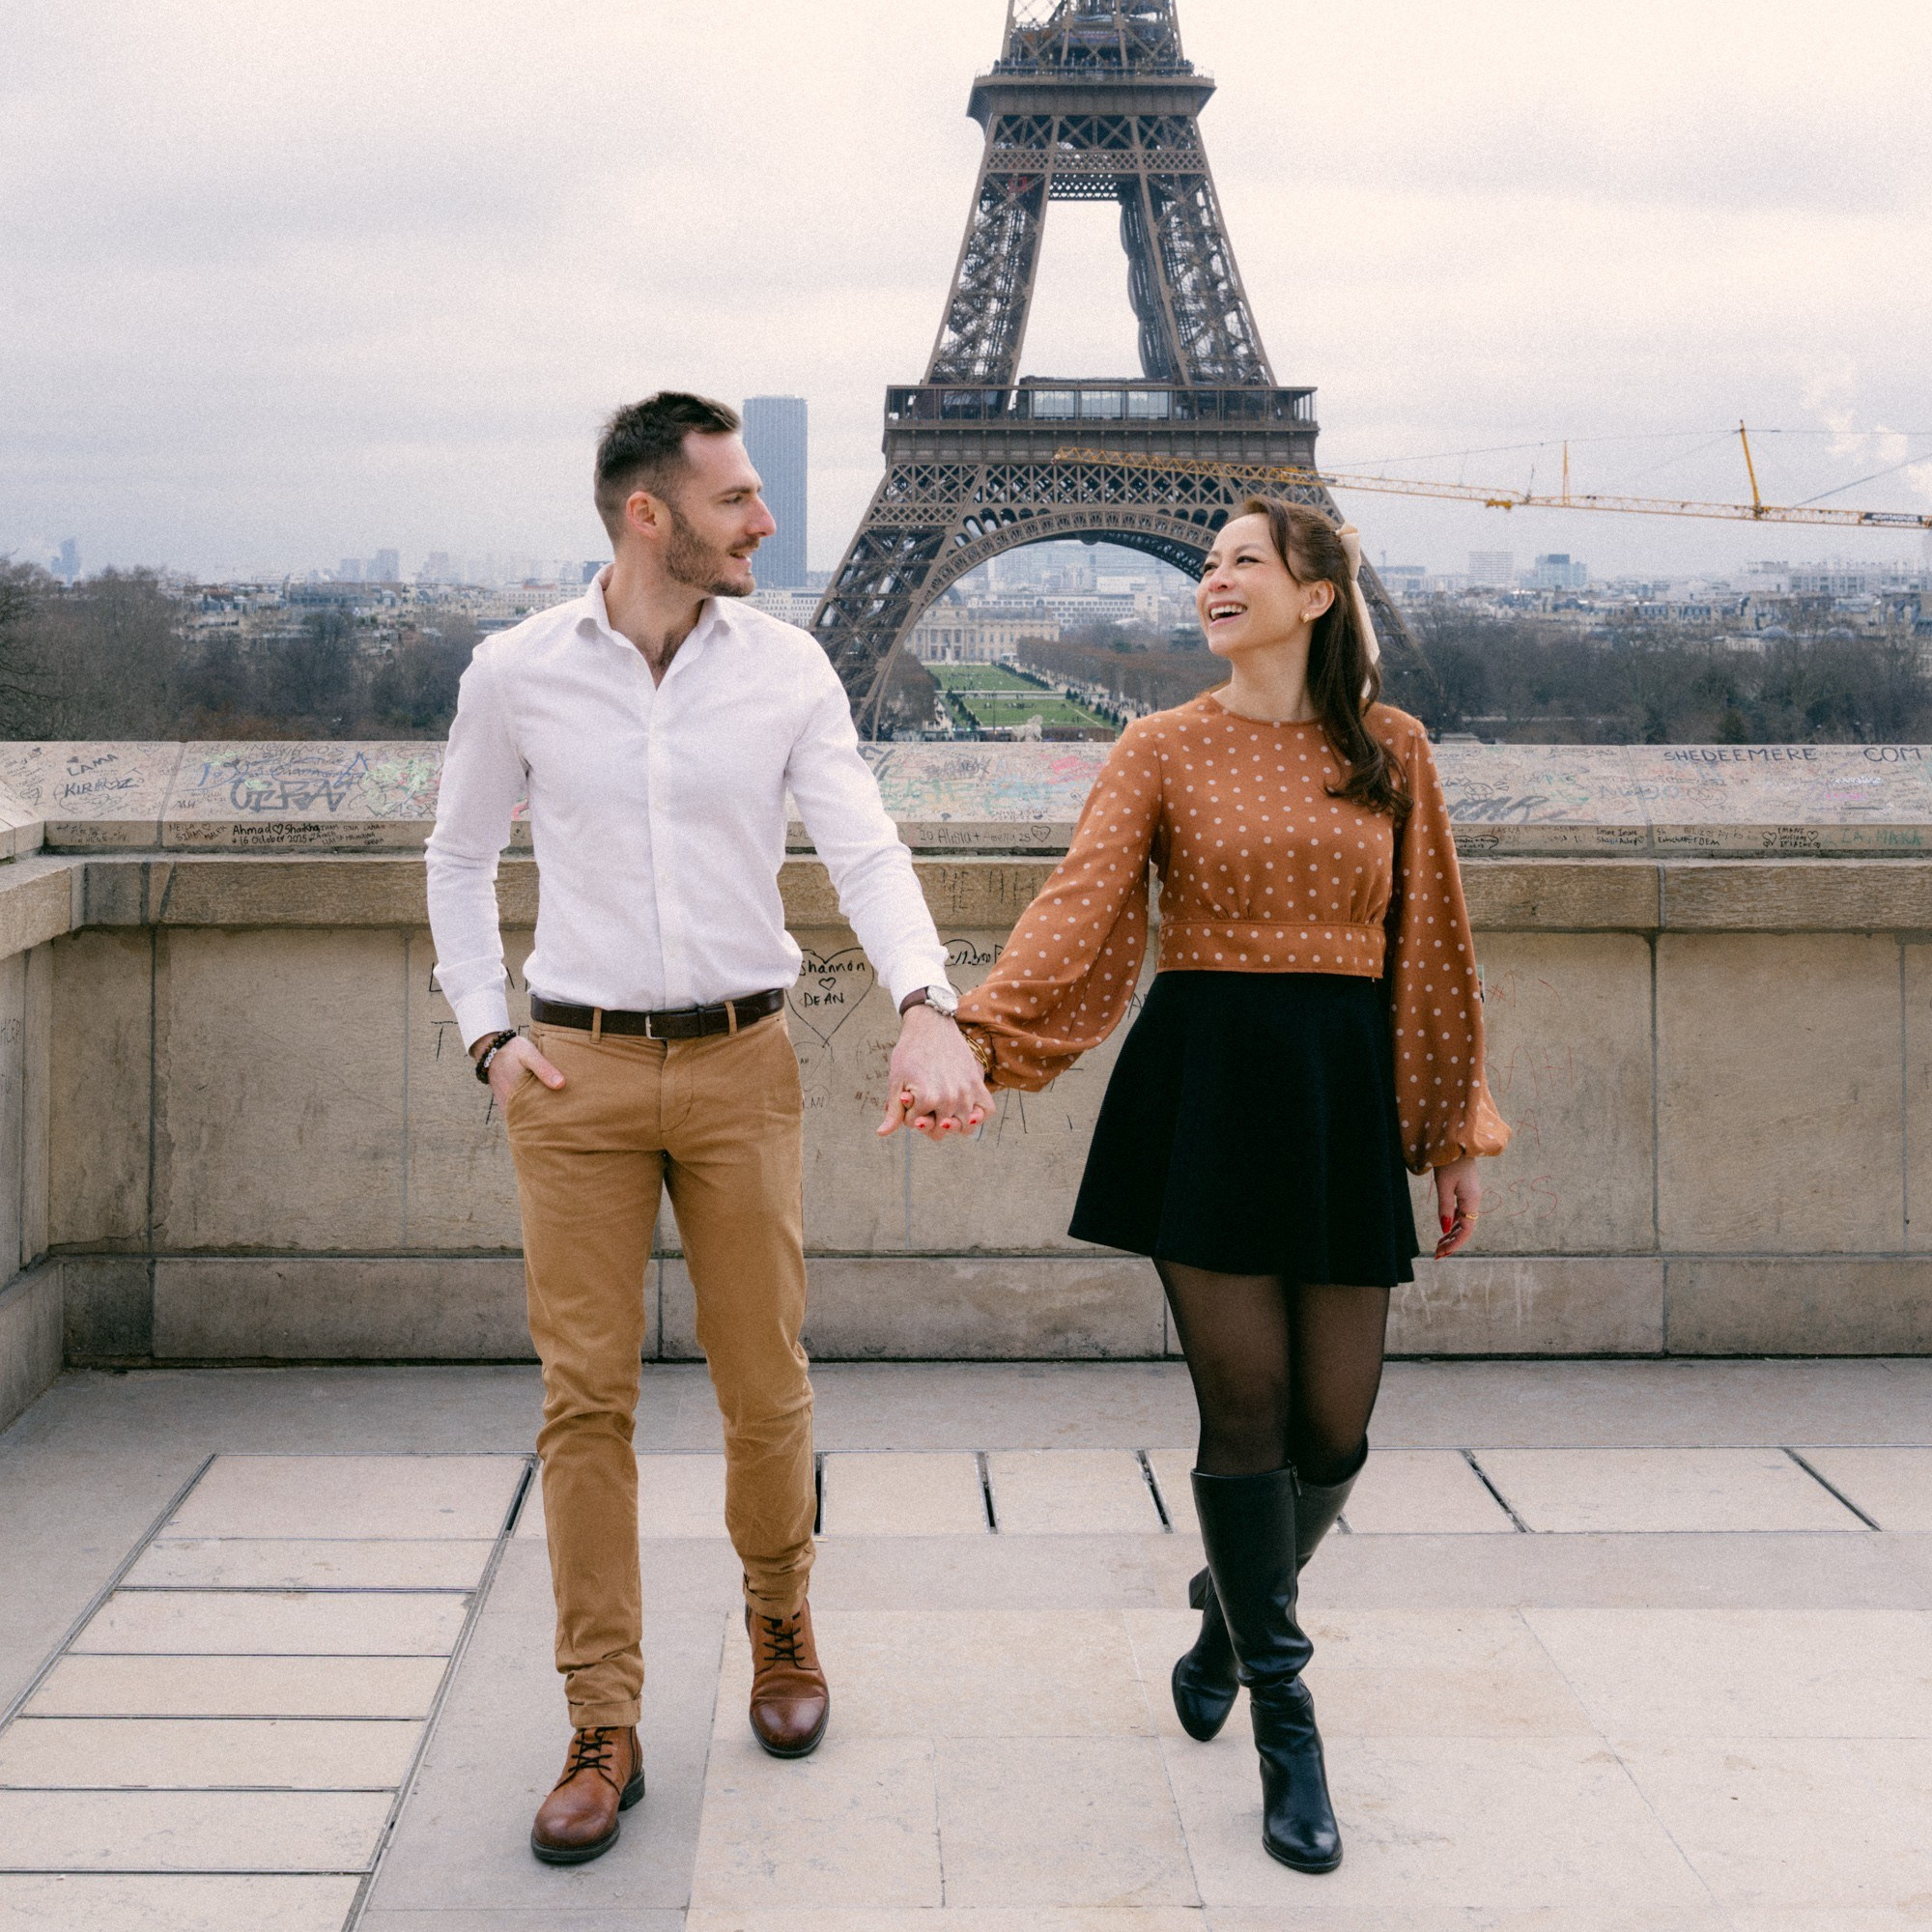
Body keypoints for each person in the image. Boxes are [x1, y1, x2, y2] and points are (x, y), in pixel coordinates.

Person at [426, 392, 991, 1865]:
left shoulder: (790, 669)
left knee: (766, 1382)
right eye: (737, 498)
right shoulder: (517, 674)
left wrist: (928, 998)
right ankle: (601, 1717)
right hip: (579, 1075)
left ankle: (779, 1615)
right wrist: (489, 1031)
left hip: (745, 1066)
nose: (767, 519)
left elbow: (863, 844)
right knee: (584, 1405)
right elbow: (458, 853)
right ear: (647, 515)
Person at [954, 497, 1508, 1875]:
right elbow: (1080, 910)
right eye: (1205, 564)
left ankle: (1227, 1614)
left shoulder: (1393, 753)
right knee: (1248, 1408)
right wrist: (973, 1038)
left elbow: (1430, 939)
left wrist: (1447, 1126)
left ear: (1317, 594)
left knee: (1336, 1427)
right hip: (1204, 1087)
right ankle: (1287, 1716)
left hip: (1332, 1094)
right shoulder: (1160, 746)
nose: (1212, 580)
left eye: (1242, 561)